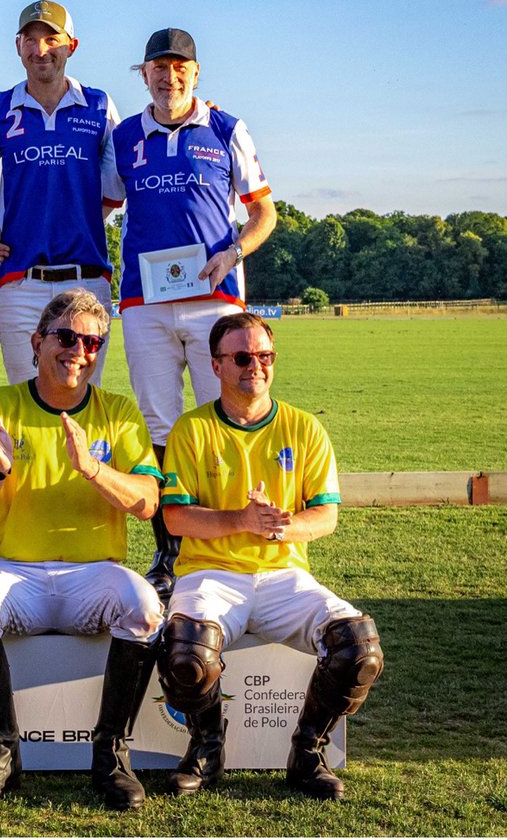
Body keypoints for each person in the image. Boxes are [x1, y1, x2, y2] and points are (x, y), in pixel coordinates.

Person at [0, 288, 164, 811]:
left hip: (93, 572)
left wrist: (92, 468)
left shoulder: (117, 411)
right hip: (14, 570)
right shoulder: (0, 405)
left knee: (145, 607)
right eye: (66, 337)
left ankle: (110, 754)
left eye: (92, 342)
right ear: (37, 342)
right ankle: (2, 754)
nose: (79, 351)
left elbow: (148, 502)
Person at [158, 311, 384, 800]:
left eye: (265, 356)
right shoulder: (191, 430)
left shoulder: (304, 428)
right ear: (215, 365)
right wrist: (241, 520)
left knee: (358, 646)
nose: (254, 366)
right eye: (242, 357)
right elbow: (175, 519)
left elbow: (325, 517)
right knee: (188, 652)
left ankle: (308, 753)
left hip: (284, 575)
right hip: (211, 573)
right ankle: (206, 750)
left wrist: (279, 525)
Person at [111, 27, 278, 601]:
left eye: (179, 67)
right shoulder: (125, 135)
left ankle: (226, 540)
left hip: (216, 301)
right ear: (145, 74)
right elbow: (100, 203)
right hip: (144, 301)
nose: (169, 76)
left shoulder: (227, 129)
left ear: (195, 73)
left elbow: (263, 214)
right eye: (158, 67)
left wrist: (235, 251)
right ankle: (169, 550)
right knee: (159, 425)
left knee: (223, 417)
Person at [0, 0, 123, 386]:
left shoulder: (99, 106)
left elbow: (122, 181)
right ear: (17, 46)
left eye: (51, 39)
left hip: (87, 280)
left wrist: (193, 120)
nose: (41, 50)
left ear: (71, 45)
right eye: (30, 39)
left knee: (82, 400)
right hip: (22, 283)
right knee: (27, 401)